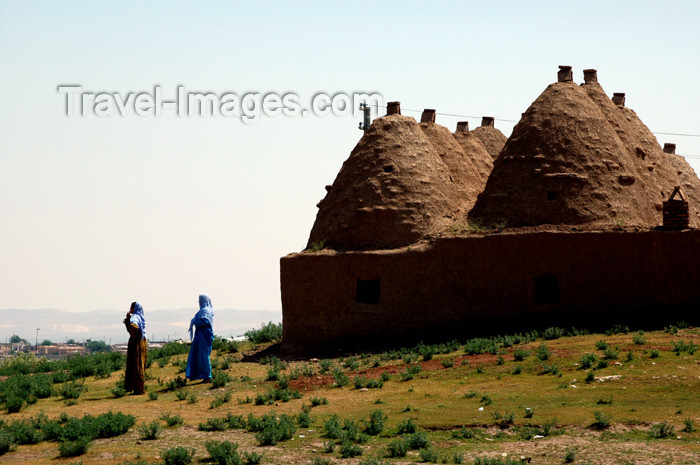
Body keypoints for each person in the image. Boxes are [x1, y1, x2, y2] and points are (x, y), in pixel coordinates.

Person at [186, 294, 215, 382]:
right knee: (198, 355)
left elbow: (206, 321)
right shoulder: (201, 311)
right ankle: (200, 375)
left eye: (200, 301)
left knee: (203, 355)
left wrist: (196, 322)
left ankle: (207, 376)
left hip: (204, 335)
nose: (199, 303)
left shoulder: (206, 311)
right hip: (199, 335)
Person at [123, 301, 147, 394]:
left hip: (136, 343)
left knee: (135, 363)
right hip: (142, 342)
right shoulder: (141, 317)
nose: (130, 309)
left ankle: (137, 388)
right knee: (140, 364)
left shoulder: (135, 317)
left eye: (131, 308)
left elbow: (134, 326)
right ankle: (138, 387)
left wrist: (133, 333)